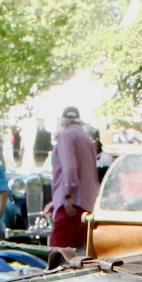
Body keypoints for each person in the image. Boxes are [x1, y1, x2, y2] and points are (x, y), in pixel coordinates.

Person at [47, 105, 99, 250]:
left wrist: (68, 195)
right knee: (80, 253)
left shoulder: (65, 136)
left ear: (63, 122)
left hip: (71, 204)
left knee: (59, 253)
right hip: (87, 203)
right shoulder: (87, 138)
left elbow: (70, 167)